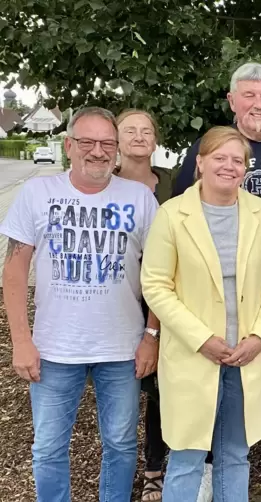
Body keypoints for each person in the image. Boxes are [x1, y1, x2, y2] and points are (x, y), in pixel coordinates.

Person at [171, 61, 261, 501]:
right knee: (211, 381)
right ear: (232, 101)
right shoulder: (208, 147)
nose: (257, 104)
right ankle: (211, 465)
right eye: (247, 95)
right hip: (212, 292)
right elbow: (182, 213)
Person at [0, 106, 159, 502]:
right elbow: (15, 270)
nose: (98, 151)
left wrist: (152, 336)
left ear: (118, 149)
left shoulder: (140, 199)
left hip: (122, 348)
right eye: (87, 142)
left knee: (121, 446)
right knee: (49, 448)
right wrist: (21, 340)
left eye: (107, 143)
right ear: (69, 145)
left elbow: (160, 274)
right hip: (55, 347)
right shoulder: (38, 194)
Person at [140, 126, 261, 502]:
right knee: (187, 457)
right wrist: (202, 339)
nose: (229, 166)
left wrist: (259, 337)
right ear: (200, 163)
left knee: (235, 456)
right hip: (194, 356)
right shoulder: (173, 215)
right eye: (219, 157)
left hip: (245, 358)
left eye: (238, 160)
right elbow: (156, 285)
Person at [115, 108, 174, 501]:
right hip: (117, 302)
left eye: (146, 131)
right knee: (119, 390)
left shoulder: (173, 182)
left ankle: (154, 467)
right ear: (116, 139)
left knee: (159, 389)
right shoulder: (106, 182)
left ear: (155, 140)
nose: (138, 137)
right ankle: (118, 468)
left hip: (165, 299)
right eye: (129, 130)